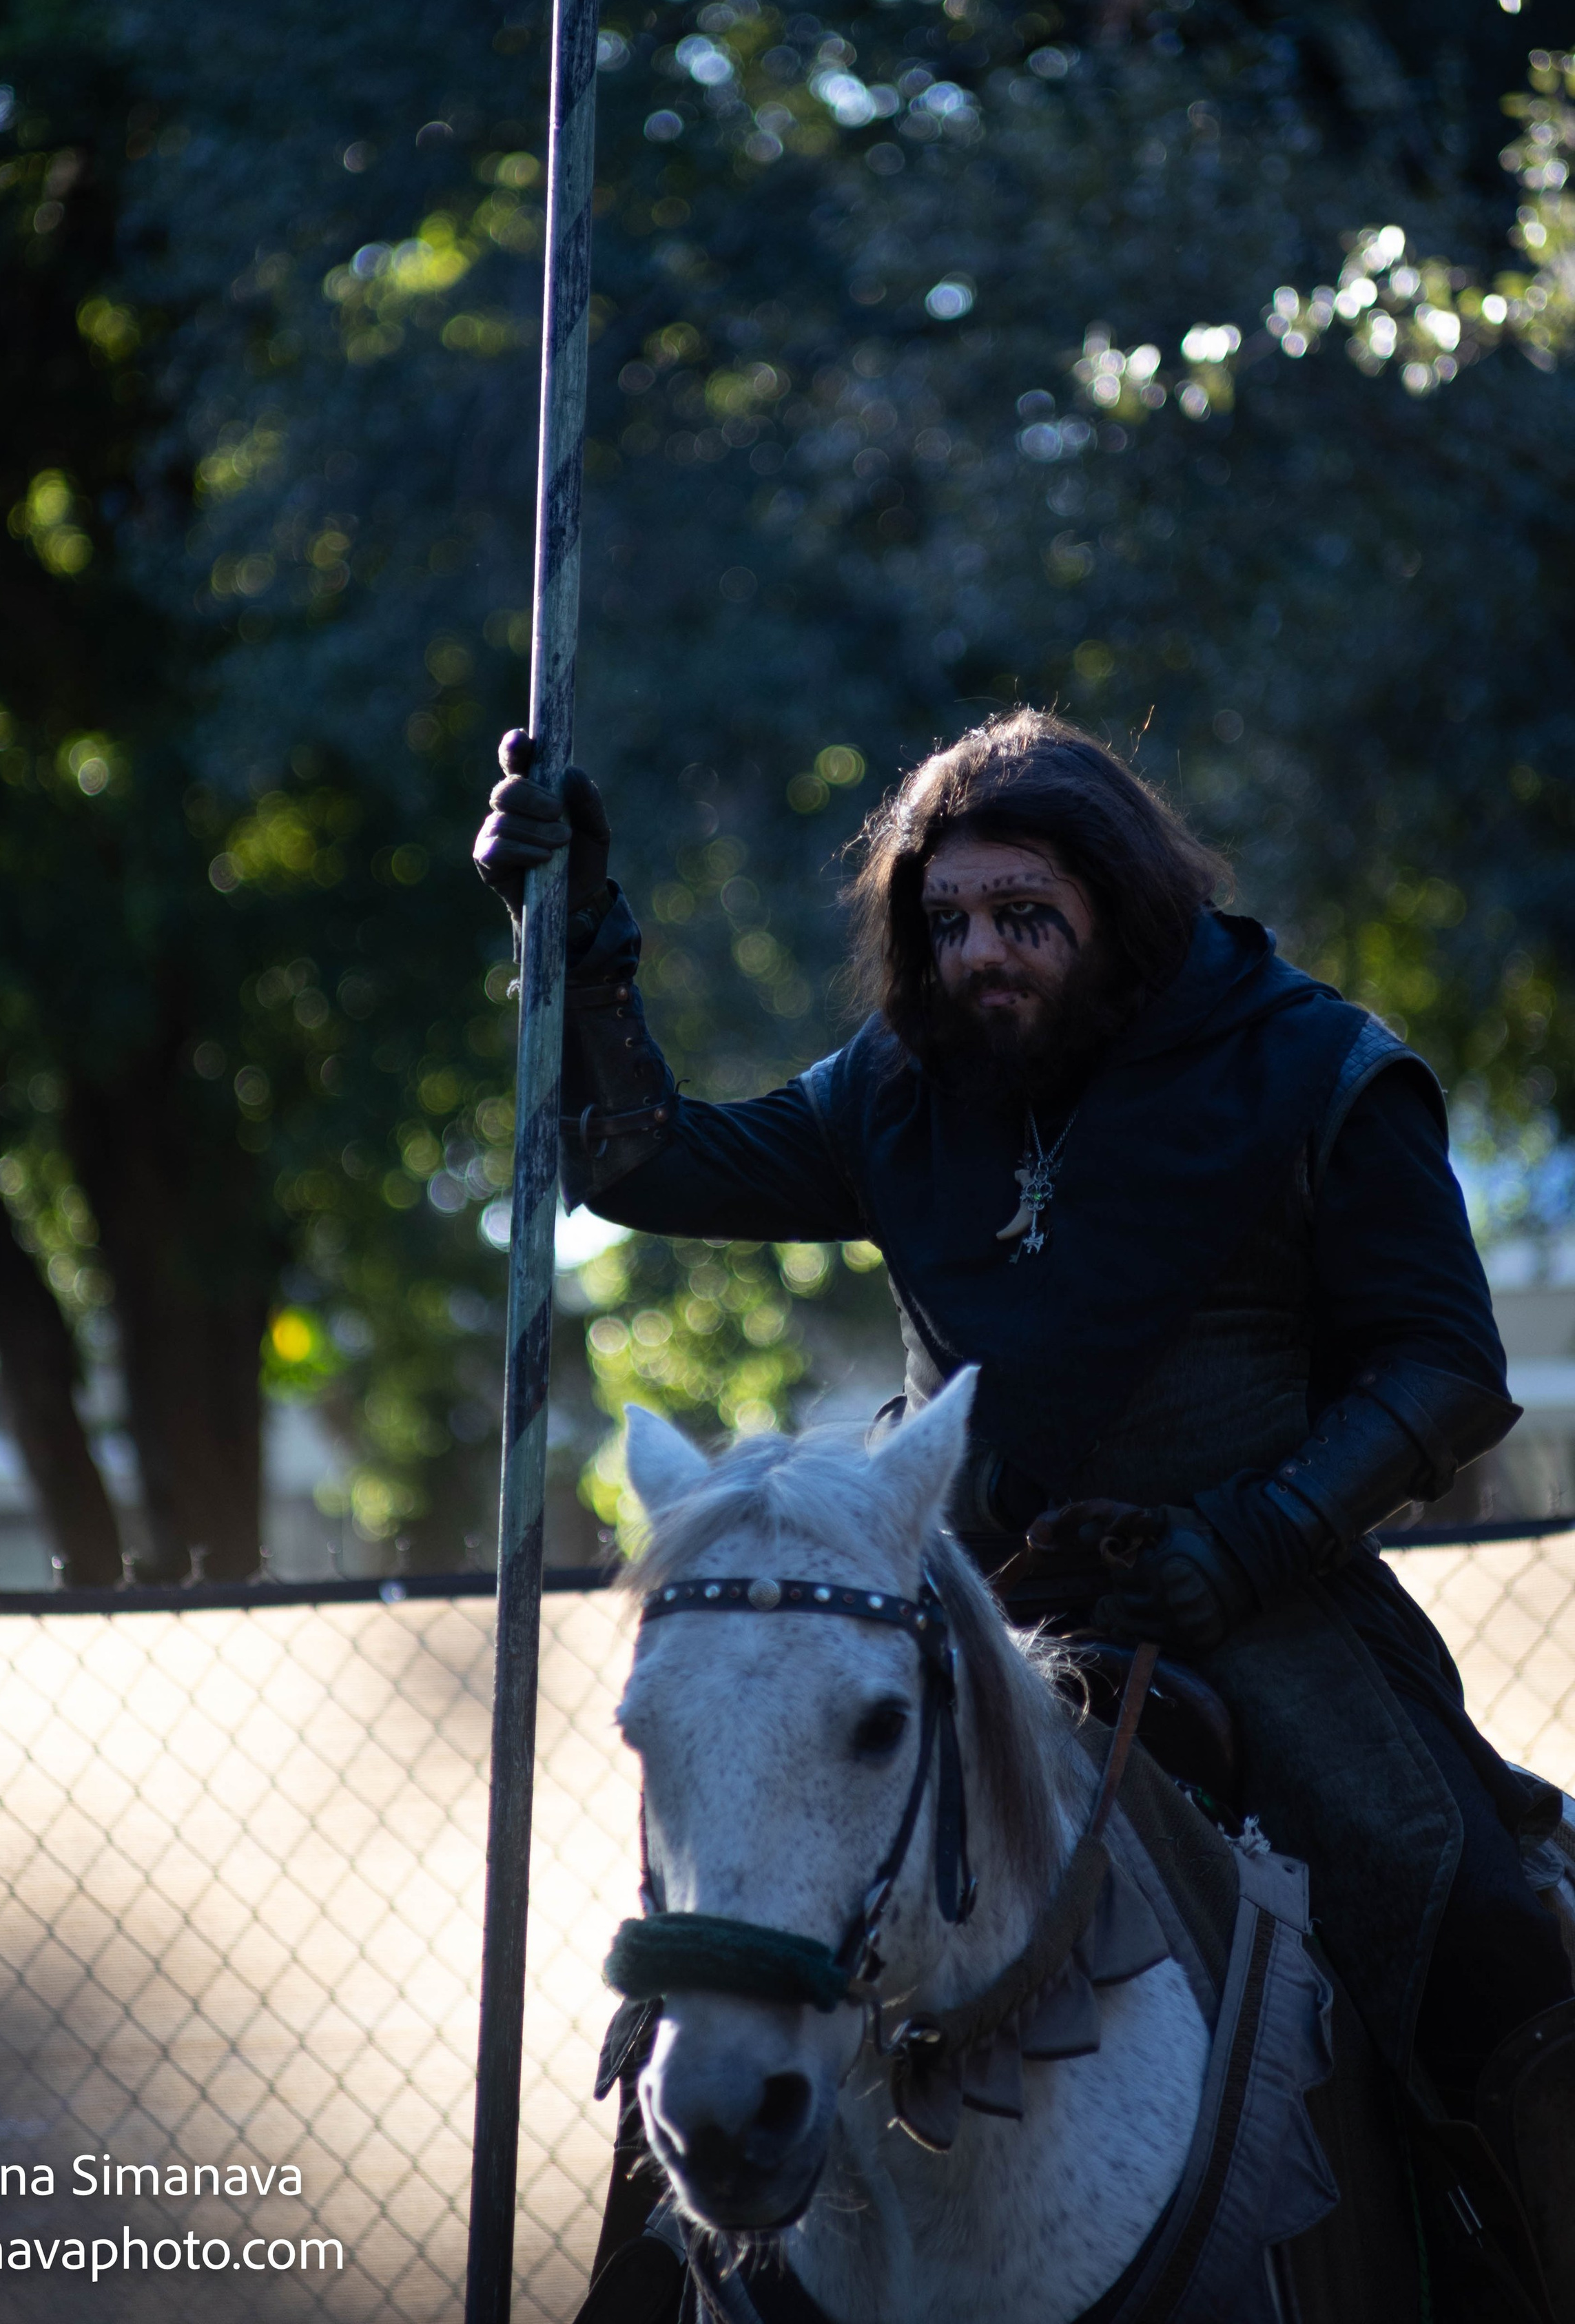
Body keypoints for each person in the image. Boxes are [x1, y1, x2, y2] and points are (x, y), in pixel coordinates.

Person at [474, 708, 1575, 2294]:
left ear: (1116, 911)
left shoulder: (1317, 1067)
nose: (979, 954)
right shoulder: (896, 1090)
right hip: (962, 1604)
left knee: (1476, 1925)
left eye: (1020, 919)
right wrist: (576, 945)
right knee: (729, 1956)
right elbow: (640, 1162)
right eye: (946, 923)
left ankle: (1499, 2265)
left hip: (1263, 1598)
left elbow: (1444, 1370)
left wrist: (1243, 1539)